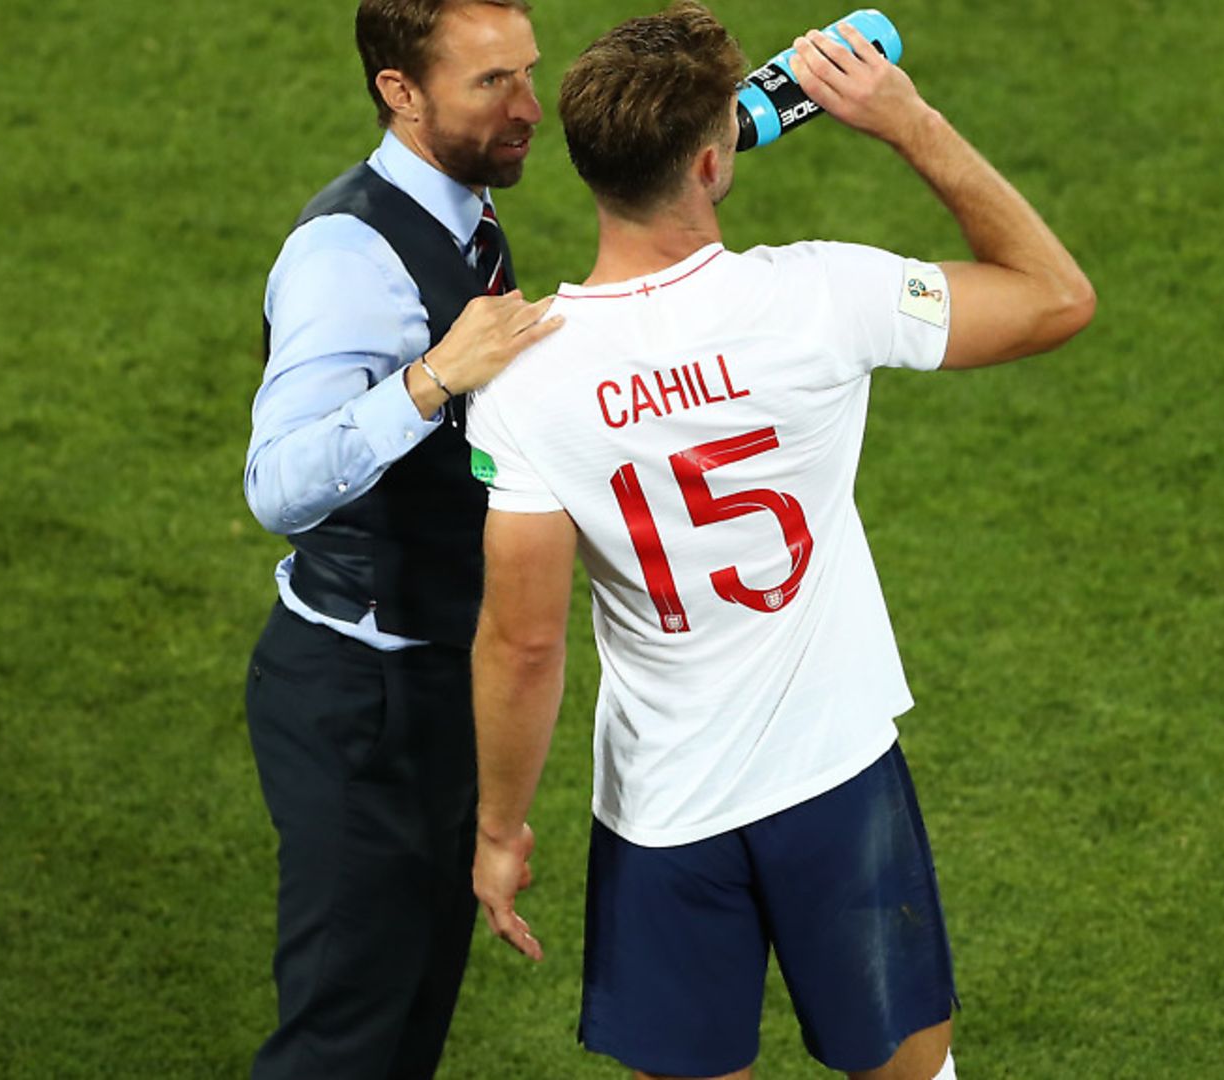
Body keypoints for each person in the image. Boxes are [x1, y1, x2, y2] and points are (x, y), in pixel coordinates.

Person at [464, 4, 1095, 1078]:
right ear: (714, 161)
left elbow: (523, 646)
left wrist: (499, 831)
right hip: (835, 777)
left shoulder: (524, 377)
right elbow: (1055, 296)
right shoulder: (820, 297)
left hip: (664, 810)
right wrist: (910, 122)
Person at [241, 1, 560, 1075]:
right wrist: (430, 383)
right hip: (361, 708)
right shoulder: (348, 255)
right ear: (400, 92)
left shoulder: (463, 210)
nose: (528, 109)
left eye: (528, 72)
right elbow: (277, 484)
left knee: (405, 1028)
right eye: (491, 85)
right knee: (343, 1046)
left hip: (435, 684)